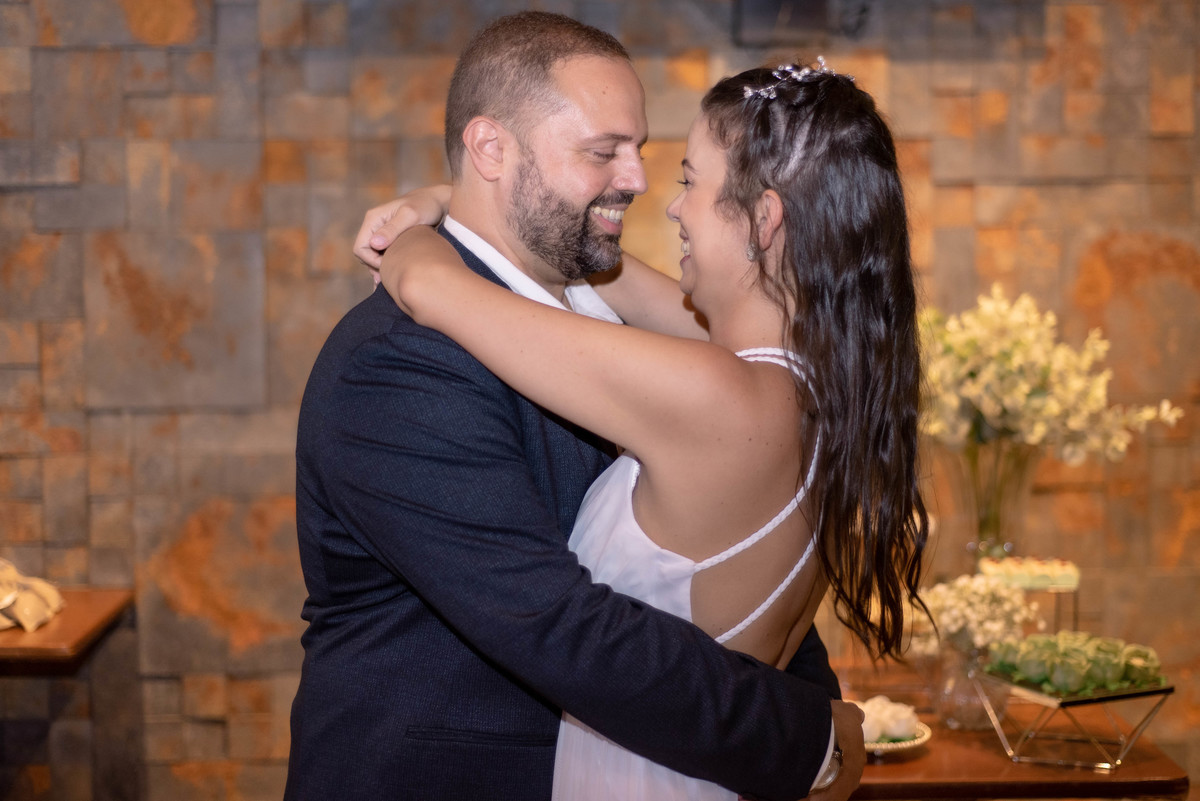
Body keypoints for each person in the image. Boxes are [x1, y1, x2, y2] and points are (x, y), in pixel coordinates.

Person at [289, 12, 869, 801]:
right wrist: (799, 736)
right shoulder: (399, 363)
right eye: (603, 152)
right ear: (491, 149)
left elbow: (734, 545)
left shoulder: (630, 327)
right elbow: (558, 629)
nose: (638, 180)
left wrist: (807, 692)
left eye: (641, 151)